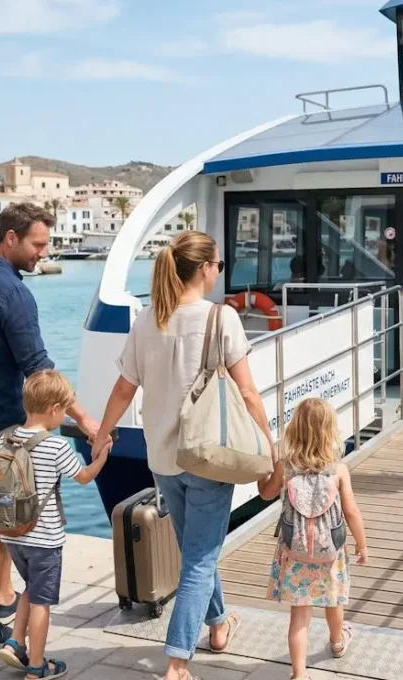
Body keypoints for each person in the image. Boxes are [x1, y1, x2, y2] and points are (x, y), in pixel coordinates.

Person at [94, 230, 276, 680]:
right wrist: (269, 443)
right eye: (217, 265)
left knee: (195, 548)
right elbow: (247, 391)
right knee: (199, 557)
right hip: (208, 456)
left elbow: (123, 387)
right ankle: (177, 660)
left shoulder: (150, 317)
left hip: (162, 457)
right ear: (205, 269)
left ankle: (217, 625)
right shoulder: (221, 318)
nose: (219, 271)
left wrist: (102, 433)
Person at [0, 202, 100, 655]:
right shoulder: (13, 294)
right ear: (10, 238)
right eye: (37, 244)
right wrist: (83, 417)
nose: (42, 253)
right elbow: (38, 369)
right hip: (1, 425)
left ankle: (1, 601)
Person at [0, 370, 107, 680]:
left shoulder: (7, 438)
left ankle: (15, 642)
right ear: (55, 409)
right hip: (44, 539)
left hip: (12, 535)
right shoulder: (55, 447)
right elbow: (83, 477)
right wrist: (102, 455)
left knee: (30, 588)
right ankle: (37, 665)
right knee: (42, 601)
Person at [258, 398, 368, 680]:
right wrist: (362, 543)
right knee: (333, 602)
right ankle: (338, 642)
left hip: (295, 551)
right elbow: (352, 511)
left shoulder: (286, 466)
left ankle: (299, 674)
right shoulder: (338, 470)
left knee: (299, 616)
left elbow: (266, 493)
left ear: (295, 430)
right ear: (330, 432)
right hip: (330, 551)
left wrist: (263, 475)